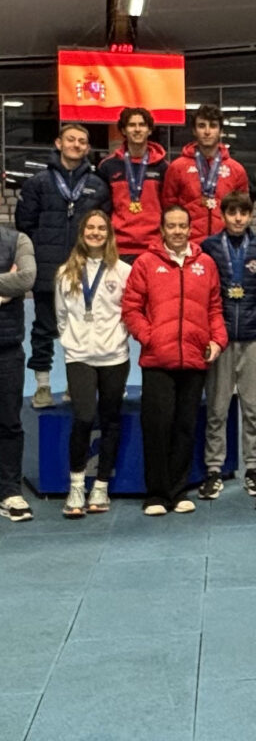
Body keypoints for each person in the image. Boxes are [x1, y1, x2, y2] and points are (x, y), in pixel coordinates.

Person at [122, 205, 228, 515]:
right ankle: (156, 494)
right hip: (158, 360)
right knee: (157, 425)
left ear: (190, 228)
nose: (178, 231)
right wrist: (149, 336)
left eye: (183, 225)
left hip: (194, 359)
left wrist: (217, 341)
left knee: (185, 425)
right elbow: (131, 309)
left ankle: (179, 490)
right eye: (172, 226)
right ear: (162, 229)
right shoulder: (145, 263)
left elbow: (214, 309)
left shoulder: (205, 264)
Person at [15, 123, 110, 408]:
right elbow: (25, 225)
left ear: (88, 148)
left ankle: (75, 384)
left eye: (82, 141)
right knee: (43, 329)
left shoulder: (97, 186)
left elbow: (103, 229)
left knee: (80, 329)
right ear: (58, 143)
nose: (77, 145)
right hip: (48, 269)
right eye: (71, 139)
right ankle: (42, 386)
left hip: (83, 271)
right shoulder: (38, 183)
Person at [55, 210, 131, 517]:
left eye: (101, 228)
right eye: (91, 227)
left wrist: (117, 338)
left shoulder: (123, 271)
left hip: (114, 355)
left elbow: (129, 311)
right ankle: (76, 486)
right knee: (85, 417)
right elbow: (61, 316)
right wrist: (73, 342)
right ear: (82, 232)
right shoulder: (66, 272)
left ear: (109, 234)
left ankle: (101, 485)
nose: (96, 233)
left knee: (111, 419)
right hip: (80, 356)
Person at [199, 192, 256, 500]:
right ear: (223, 215)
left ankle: (253, 468)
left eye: (244, 212)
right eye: (232, 212)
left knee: (253, 409)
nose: (238, 218)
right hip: (221, 339)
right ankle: (214, 469)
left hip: (254, 337)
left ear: (251, 215)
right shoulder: (209, 247)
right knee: (217, 408)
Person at [162, 104, 249, 244]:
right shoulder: (177, 167)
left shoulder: (236, 170)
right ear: (194, 131)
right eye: (202, 126)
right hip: (188, 243)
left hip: (224, 243)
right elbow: (168, 207)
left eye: (213, 126)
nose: (207, 131)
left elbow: (243, 209)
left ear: (221, 131)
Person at [98, 107, 169, 263]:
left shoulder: (163, 167)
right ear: (123, 130)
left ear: (149, 130)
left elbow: (168, 207)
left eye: (142, 125)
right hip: (118, 247)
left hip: (154, 246)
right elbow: (103, 209)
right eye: (131, 125)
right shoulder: (108, 166)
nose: (137, 129)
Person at [0, 225, 36, 522]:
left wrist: (16, 285)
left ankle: (10, 491)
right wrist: (4, 289)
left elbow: (26, 278)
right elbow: (13, 282)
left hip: (7, 349)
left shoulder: (17, 240)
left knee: (10, 422)